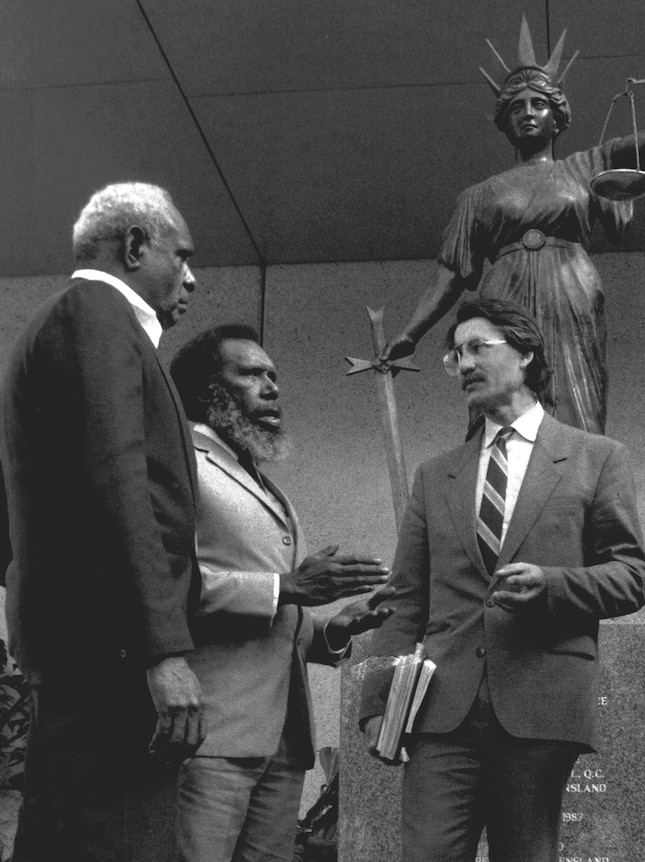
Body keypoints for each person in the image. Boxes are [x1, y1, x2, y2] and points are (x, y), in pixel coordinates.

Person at [360, 298, 645, 862]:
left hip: (541, 704)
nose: (464, 364)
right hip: (440, 710)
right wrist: (378, 700)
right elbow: (404, 599)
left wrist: (552, 585)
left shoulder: (596, 458)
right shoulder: (435, 475)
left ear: (525, 353)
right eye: (456, 355)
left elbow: (631, 576)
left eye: (477, 347)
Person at [0, 182, 204, 860]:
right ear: (135, 245)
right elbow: (118, 485)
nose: (191, 277)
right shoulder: (96, 313)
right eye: (182, 255)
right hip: (111, 661)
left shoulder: (64, 324)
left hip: (81, 652)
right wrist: (161, 650)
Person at [382, 11, 645, 434]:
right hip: (504, 299)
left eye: (538, 104)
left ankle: (576, 468)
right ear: (504, 121)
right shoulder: (478, 195)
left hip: (569, 293)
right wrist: (410, 334)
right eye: (516, 107)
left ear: (557, 116)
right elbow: (451, 273)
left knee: (576, 402)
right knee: (501, 400)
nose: (527, 113)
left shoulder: (591, 164)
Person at [169, 324, 394, 862]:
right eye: (251, 374)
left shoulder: (263, 482)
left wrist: (335, 628)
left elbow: (276, 615)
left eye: (273, 375)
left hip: (284, 739)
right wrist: (288, 586)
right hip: (213, 733)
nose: (272, 387)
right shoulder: (180, 465)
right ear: (207, 391)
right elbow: (165, 585)